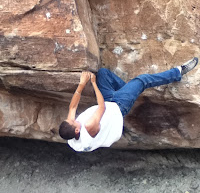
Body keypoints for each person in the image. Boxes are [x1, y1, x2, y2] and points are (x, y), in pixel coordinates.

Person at [59, 57, 198, 152]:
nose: (72, 118)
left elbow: (72, 107)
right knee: (142, 80)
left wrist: (82, 84)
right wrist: (93, 83)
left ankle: (130, 90)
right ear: (77, 130)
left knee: (103, 73)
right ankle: (178, 72)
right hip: (118, 106)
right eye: (73, 122)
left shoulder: (71, 137)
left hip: (109, 101)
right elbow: (102, 106)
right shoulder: (89, 128)